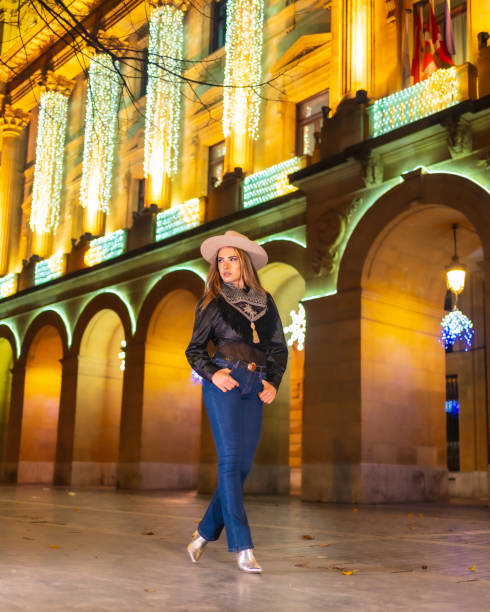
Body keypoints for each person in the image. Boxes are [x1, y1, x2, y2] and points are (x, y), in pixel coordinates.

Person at [185, 230, 288, 573]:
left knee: (242, 467)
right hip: (224, 381)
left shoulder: (266, 301)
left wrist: (273, 381)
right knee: (229, 462)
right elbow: (195, 351)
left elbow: (277, 348)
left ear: (243, 262)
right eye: (220, 260)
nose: (225, 265)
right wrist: (214, 374)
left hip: (255, 384)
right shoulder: (212, 302)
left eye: (231, 259)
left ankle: (203, 532)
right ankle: (243, 548)